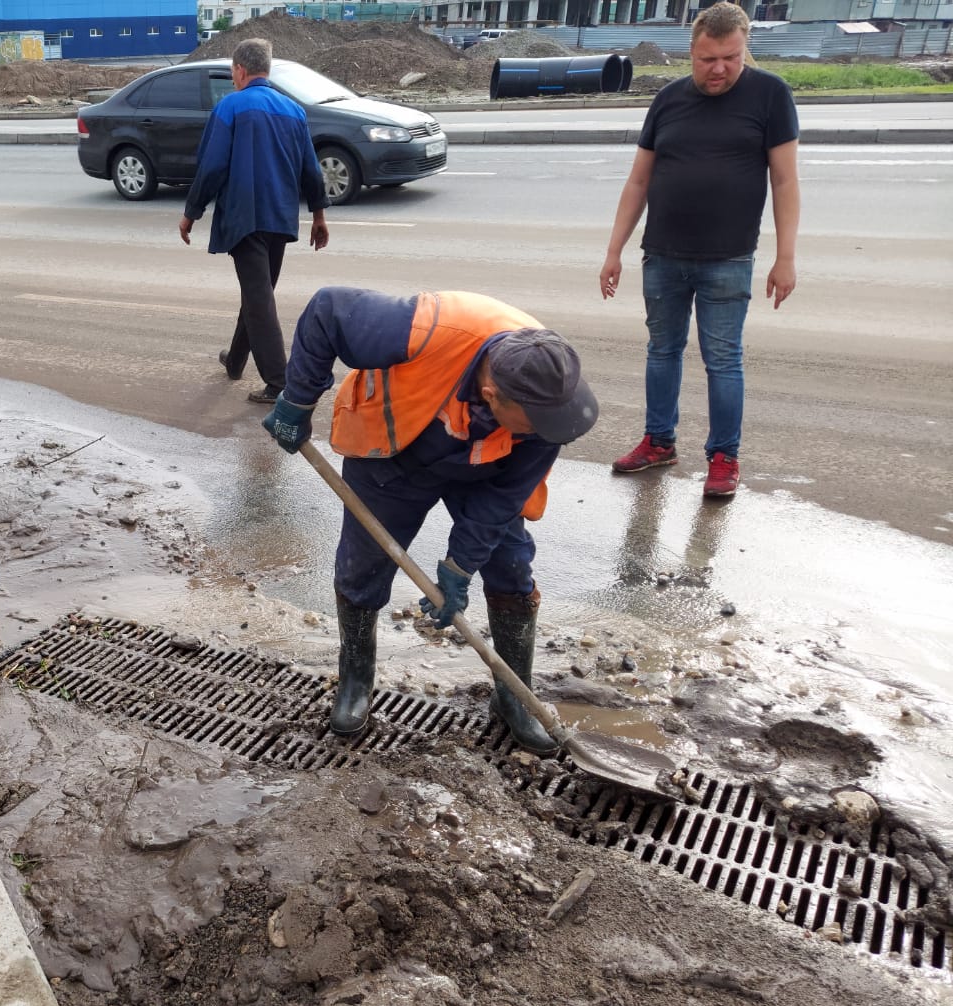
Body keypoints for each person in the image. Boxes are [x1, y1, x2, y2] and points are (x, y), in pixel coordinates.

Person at [260, 287, 599, 752]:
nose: (547, 433)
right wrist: (297, 401)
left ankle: (513, 696)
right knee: (363, 567)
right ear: (491, 395)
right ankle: (356, 681)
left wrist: (459, 566)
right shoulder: (424, 328)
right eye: (534, 423)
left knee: (511, 567)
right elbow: (326, 311)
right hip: (394, 450)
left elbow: (503, 501)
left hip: (487, 466)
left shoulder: (550, 407)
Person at [599, 0, 800, 500]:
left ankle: (724, 457)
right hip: (663, 254)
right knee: (661, 352)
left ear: (743, 47)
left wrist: (786, 256)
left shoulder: (770, 95)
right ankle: (658, 441)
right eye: (708, 59)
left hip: (729, 259)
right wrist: (613, 251)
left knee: (723, 360)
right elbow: (638, 180)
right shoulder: (667, 99)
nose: (720, 69)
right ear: (691, 51)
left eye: (731, 57)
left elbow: (785, 180)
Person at [179, 38, 329, 404]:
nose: (233, 78)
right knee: (258, 292)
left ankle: (280, 384)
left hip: (244, 218)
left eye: (233, 72)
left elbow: (211, 165)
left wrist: (190, 212)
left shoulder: (230, 106)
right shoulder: (293, 110)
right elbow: (311, 169)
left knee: (259, 297)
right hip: (280, 217)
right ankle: (234, 360)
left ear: (241, 71)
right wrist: (319, 216)